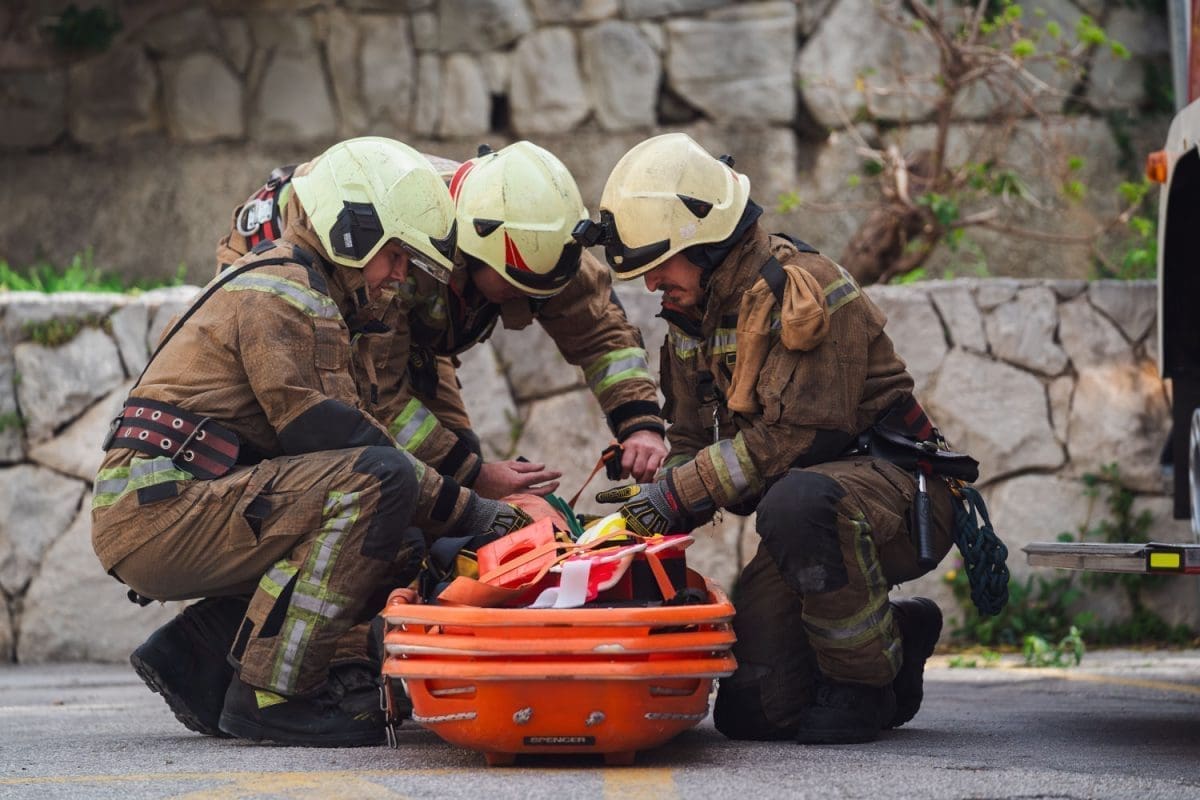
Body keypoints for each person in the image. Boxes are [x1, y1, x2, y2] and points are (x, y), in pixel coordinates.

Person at [93, 137, 533, 747]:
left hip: (169, 503)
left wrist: (454, 513)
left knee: (397, 537)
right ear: (351, 231)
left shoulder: (305, 287)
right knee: (377, 486)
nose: (401, 277)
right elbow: (338, 442)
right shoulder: (284, 292)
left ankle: (197, 659)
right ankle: (275, 695)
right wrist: (475, 512)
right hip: (161, 510)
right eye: (396, 256)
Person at [588, 132, 955, 744]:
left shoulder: (804, 290)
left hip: (897, 496)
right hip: (807, 520)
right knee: (751, 712)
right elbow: (686, 435)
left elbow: (789, 441)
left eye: (659, 267)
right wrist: (653, 525)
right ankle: (896, 633)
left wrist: (675, 496)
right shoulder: (691, 318)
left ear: (704, 246)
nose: (651, 286)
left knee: (798, 503)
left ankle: (867, 687)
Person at [218, 141, 668, 496]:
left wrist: (640, 425)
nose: (534, 298)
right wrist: (474, 474)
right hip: (290, 280)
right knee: (345, 469)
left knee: (455, 466)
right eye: (519, 286)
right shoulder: (401, 252)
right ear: (471, 248)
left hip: (413, 321)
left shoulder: (540, 236)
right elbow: (382, 398)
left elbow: (597, 328)